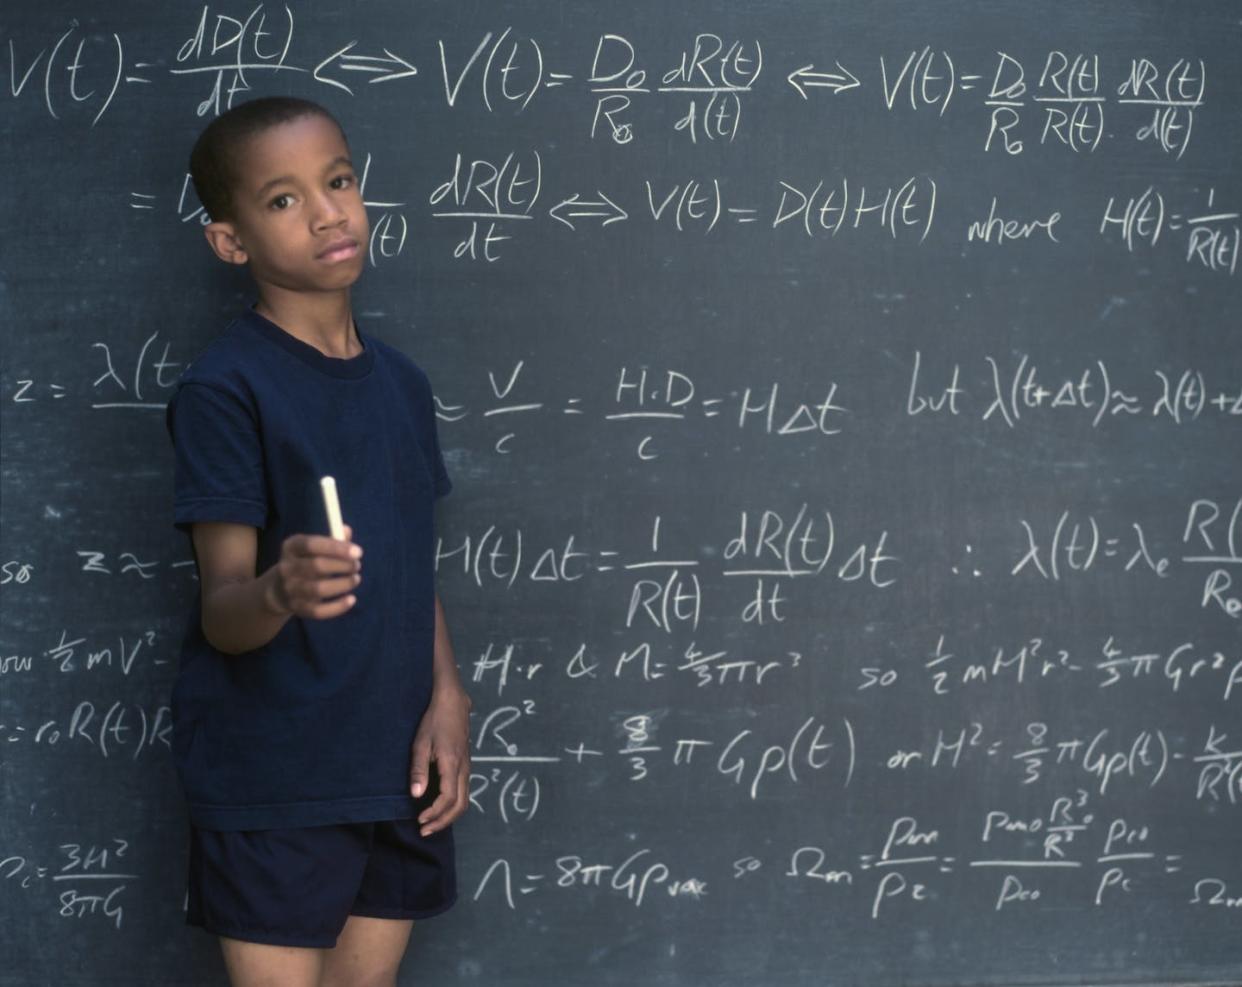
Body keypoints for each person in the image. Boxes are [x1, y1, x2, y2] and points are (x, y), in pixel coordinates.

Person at [165, 96, 471, 987]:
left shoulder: (403, 385)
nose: (330, 211)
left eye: (337, 180)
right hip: (277, 773)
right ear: (232, 242)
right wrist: (280, 590)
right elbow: (223, 611)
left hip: (392, 763)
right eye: (284, 200)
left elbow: (415, 562)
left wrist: (448, 696)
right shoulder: (226, 389)